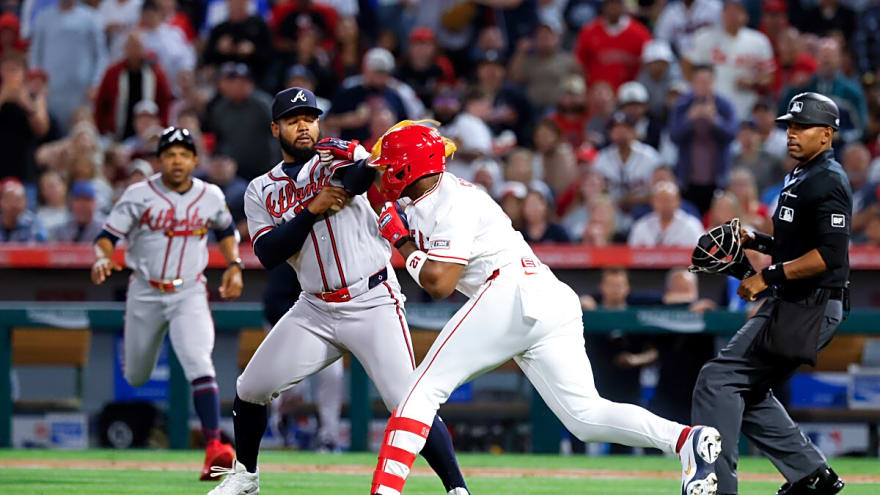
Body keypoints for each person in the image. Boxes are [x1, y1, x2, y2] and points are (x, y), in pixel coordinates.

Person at [367, 123, 721, 495]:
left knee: (419, 393)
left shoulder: (450, 199)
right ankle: (685, 440)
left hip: (511, 291)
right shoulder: (427, 197)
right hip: (545, 297)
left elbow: (440, 283)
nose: (382, 172)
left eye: (387, 165)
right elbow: (369, 181)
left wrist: (403, 244)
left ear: (408, 167)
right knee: (585, 416)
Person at [207, 88, 469, 495]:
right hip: (314, 309)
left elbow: (363, 178)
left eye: (310, 117)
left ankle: (456, 489)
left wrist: (360, 156)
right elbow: (269, 252)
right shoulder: (261, 189)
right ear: (276, 128)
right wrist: (311, 208)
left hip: (372, 300)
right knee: (250, 388)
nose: (304, 125)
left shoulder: (337, 159)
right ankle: (246, 478)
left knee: (408, 402)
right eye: (293, 119)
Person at [692, 92, 851, 495]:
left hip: (811, 305)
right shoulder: (800, 175)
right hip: (795, 302)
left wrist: (769, 276)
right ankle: (811, 476)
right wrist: (756, 239)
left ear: (827, 135)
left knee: (719, 380)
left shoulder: (829, 180)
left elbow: (829, 256)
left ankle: (715, 486)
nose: (793, 134)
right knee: (745, 387)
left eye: (803, 127)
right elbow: (794, 245)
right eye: (790, 126)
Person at [91, 127, 242, 480]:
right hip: (145, 291)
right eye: (170, 154)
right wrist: (102, 258)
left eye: (183, 154)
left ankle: (215, 448)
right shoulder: (138, 194)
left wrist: (234, 265)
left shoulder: (209, 194)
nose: (177, 160)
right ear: (160, 160)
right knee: (136, 374)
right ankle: (213, 446)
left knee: (198, 361)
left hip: (189, 291)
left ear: (194, 159)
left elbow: (225, 229)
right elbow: (106, 237)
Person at [628, 181, 705, 248]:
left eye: (668, 200)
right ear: (653, 203)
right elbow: (631, 254)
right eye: (660, 200)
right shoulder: (641, 226)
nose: (664, 204)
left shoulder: (692, 225)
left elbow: (700, 254)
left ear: (678, 202)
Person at [0, 178, 47, 243]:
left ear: (25, 202)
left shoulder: (33, 223)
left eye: (18, 200)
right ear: (1, 201)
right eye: (9, 199)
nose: (14, 204)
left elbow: (38, 249)